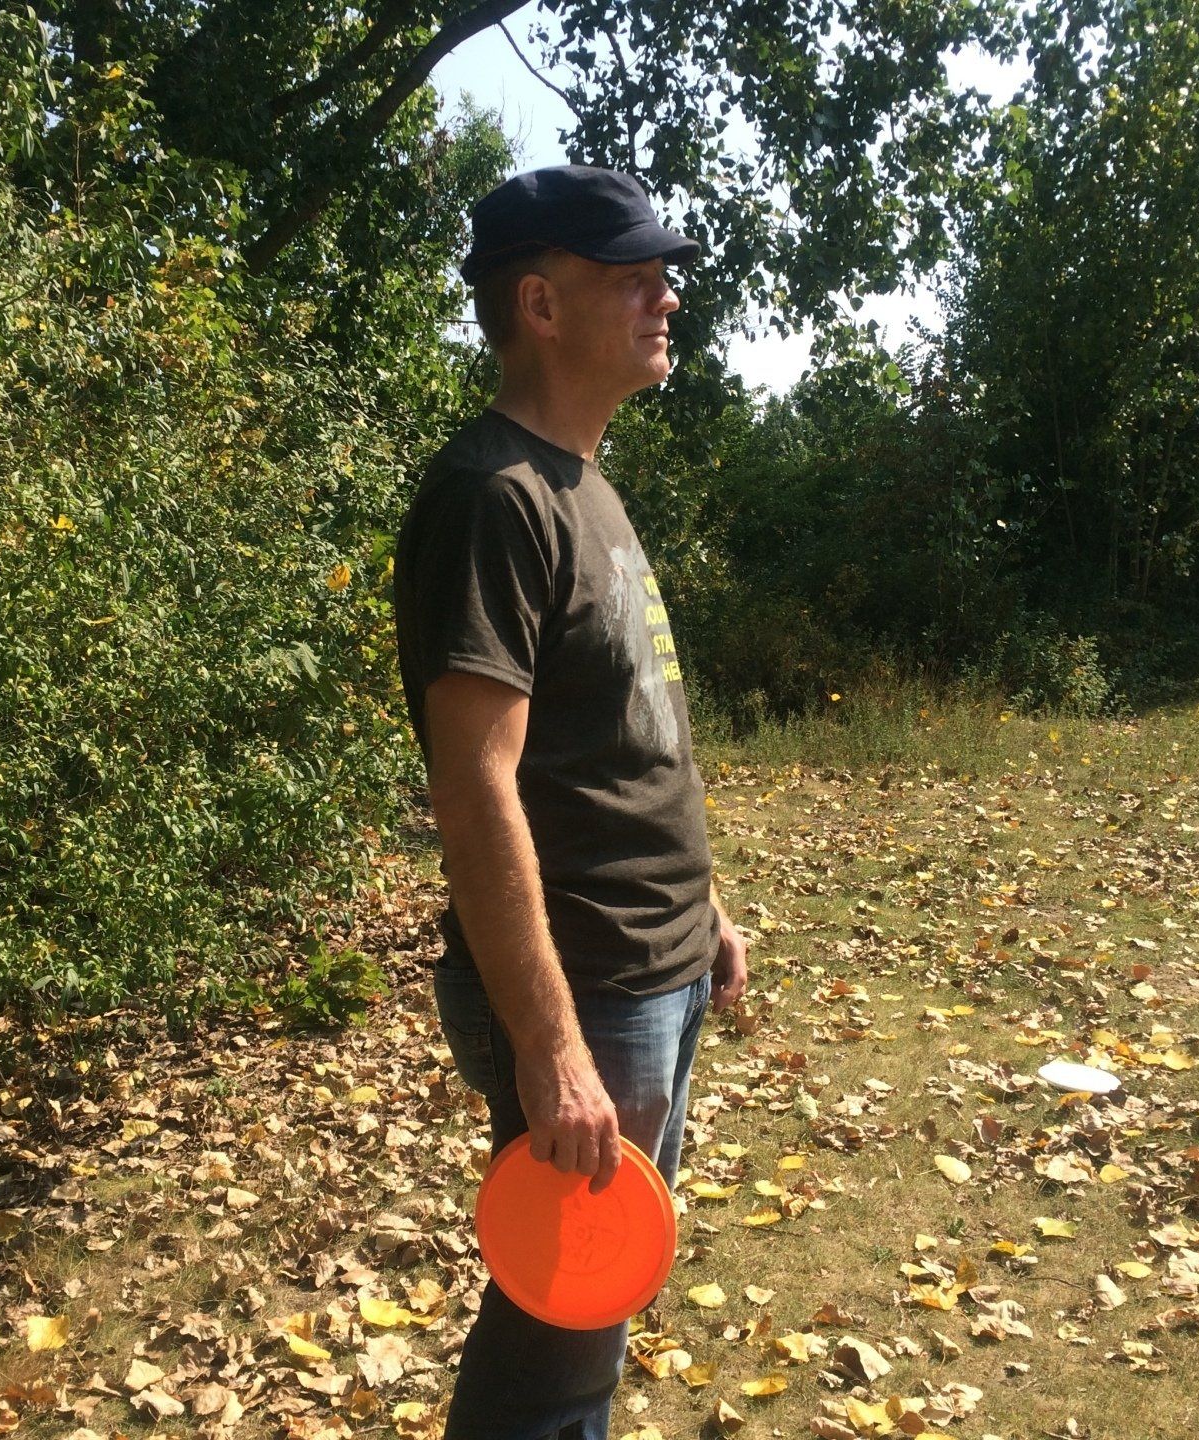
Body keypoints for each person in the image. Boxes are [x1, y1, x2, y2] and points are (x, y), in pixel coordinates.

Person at [391, 164, 749, 1439]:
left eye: (664, 275)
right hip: (587, 989)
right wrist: (550, 1052)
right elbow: (473, 784)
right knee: (557, 1330)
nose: (667, 296)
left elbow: (621, 741)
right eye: (633, 277)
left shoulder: (581, 485)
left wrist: (704, 912)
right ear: (540, 305)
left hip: (656, 966)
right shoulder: (492, 498)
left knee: (595, 1305)